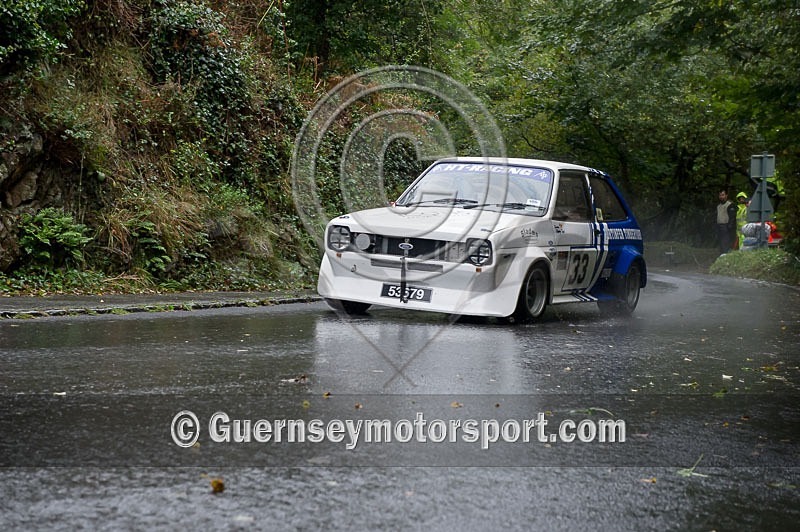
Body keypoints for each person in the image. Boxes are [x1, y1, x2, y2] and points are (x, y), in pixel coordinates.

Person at [716, 189, 737, 253]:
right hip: (719, 226)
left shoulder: (730, 205)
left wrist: (729, 227)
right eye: (720, 195)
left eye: (723, 195)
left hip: (726, 227)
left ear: (726, 195)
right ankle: (722, 254)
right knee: (721, 243)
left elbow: (732, 217)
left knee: (726, 243)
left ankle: (726, 254)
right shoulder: (718, 206)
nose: (721, 197)